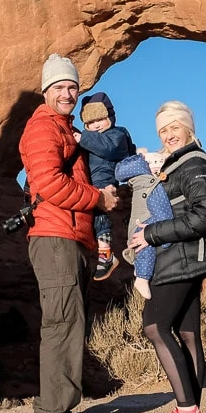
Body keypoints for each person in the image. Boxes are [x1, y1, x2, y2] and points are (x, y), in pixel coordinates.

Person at [19, 53, 119, 413]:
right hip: (55, 238)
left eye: (72, 86)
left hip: (71, 239)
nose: (67, 93)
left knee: (70, 322)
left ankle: (60, 409)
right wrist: (98, 199)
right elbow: (48, 185)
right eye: (59, 87)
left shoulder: (65, 128)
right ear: (46, 90)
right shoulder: (43, 129)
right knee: (62, 324)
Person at [128, 101, 206, 413]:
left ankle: (187, 410)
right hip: (186, 257)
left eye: (174, 127)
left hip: (184, 258)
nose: (169, 135)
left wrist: (151, 234)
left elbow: (204, 215)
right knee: (186, 333)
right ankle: (191, 410)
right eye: (163, 131)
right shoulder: (180, 163)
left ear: (188, 128)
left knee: (155, 326)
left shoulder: (193, 162)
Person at [73, 92, 135, 281]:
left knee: (100, 215)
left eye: (100, 119)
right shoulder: (92, 138)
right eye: (90, 123)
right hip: (89, 182)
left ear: (110, 117)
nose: (96, 125)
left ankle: (106, 253)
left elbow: (108, 147)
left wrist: (82, 137)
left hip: (104, 182)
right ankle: (99, 251)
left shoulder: (117, 134)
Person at [115, 148, 171, 300]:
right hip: (143, 221)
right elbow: (162, 213)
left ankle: (141, 270)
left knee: (145, 245)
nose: (156, 166)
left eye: (160, 162)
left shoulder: (145, 179)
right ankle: (142, 277)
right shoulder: (149, 181)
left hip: (141, 220)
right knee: (146, 244)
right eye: (152, 162)